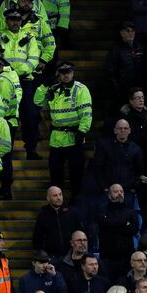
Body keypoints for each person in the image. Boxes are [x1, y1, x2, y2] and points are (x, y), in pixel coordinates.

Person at [34, 62, 93, 198]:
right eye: (62, 72)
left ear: (73, 73)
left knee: (76, 175)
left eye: (68, 72)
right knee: (55, 175)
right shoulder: (53, 89)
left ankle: (76, 202)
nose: (66, 75)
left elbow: (86, 112)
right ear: (58, 74)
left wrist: (82, 131)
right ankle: (57, 202)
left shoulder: (80, 89)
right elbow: (37, 102)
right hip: (57, 140)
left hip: (74, 137)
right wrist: (44, 86)